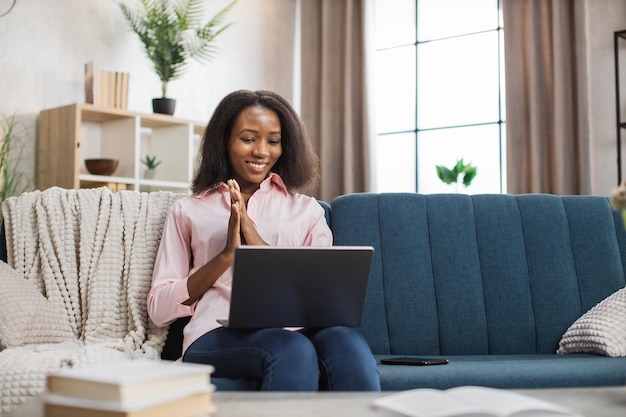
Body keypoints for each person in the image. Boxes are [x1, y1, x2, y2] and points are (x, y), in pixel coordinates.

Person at [147, 89, 380, 391]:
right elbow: (159, 308)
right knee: (291, 350)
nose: (261, 151)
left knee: (349, 347)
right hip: (217, 331)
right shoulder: (189, 210)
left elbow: (323, 299)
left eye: (273, 141)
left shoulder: (306, 210)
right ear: (224, 141)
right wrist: (226, 257)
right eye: (248, 139)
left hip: (301, 329)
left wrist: (254, 241)